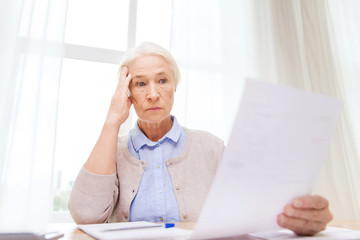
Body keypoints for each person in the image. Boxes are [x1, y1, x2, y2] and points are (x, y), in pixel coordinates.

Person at [68, 42, 333, 236]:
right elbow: (86, 215)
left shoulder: (212, 147)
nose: (152, 93)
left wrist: (298, 215)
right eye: (140, 84)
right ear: (126, 93)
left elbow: (256, 209)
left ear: (174, 87)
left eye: (162, 80)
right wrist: (112, 120)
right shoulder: (112, 149)